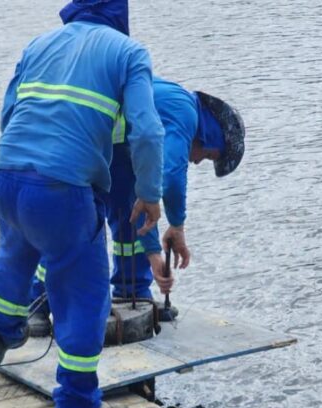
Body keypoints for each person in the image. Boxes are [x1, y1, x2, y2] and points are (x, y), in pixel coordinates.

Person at [0, 0, 164, 408]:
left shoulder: (39, 43)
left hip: (6, 174)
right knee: (85, 291)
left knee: (15, 252)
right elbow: (148, 130)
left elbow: (9, 112)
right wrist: (149, 194)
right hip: (61, 187)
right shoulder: (129, 52)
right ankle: (77, 403)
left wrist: (24, 163)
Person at [29, 77, 245, 334]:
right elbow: (172, 176)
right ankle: (36, 305)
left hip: (114, 150)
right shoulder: (185, 113)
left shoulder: (177, 105)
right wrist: (177, 225)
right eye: (207, 156)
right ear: (209, 137)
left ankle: (132, 293)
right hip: (82, 144)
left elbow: (144, 202)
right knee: (73, 230)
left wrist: (154, 253)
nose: (197, 162)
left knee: (130, 218)